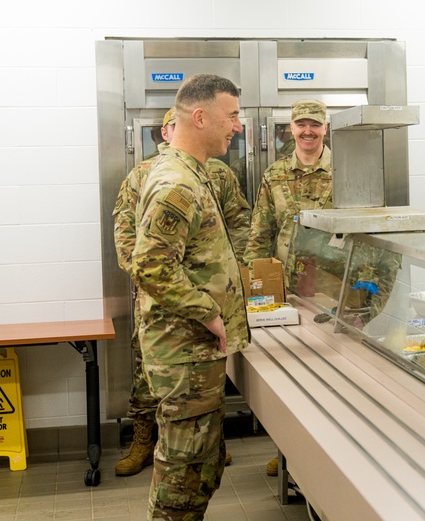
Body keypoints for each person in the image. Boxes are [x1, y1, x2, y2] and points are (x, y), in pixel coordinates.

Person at [131, 74, 250, 519]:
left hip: (193, 352)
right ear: (200, 117)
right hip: (184, 354)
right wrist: (208, 313)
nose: (237, 126)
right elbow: (150, 266)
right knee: (181, 478)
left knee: (201, 467)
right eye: (232, 116)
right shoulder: (177, 183)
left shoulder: (193, 172)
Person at [244, 98, 333, 477]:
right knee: (291, 373)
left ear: (325, 128)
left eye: (315, 124)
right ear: (290, 129)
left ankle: (326, 451)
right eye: (301, 125)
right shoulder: (275, 174)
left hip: (331, 288)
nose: (308, 131)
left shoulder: (345, 171)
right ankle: (287, 449)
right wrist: (255, 284)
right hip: (288, 289)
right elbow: (260, 230)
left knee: (330, 371)